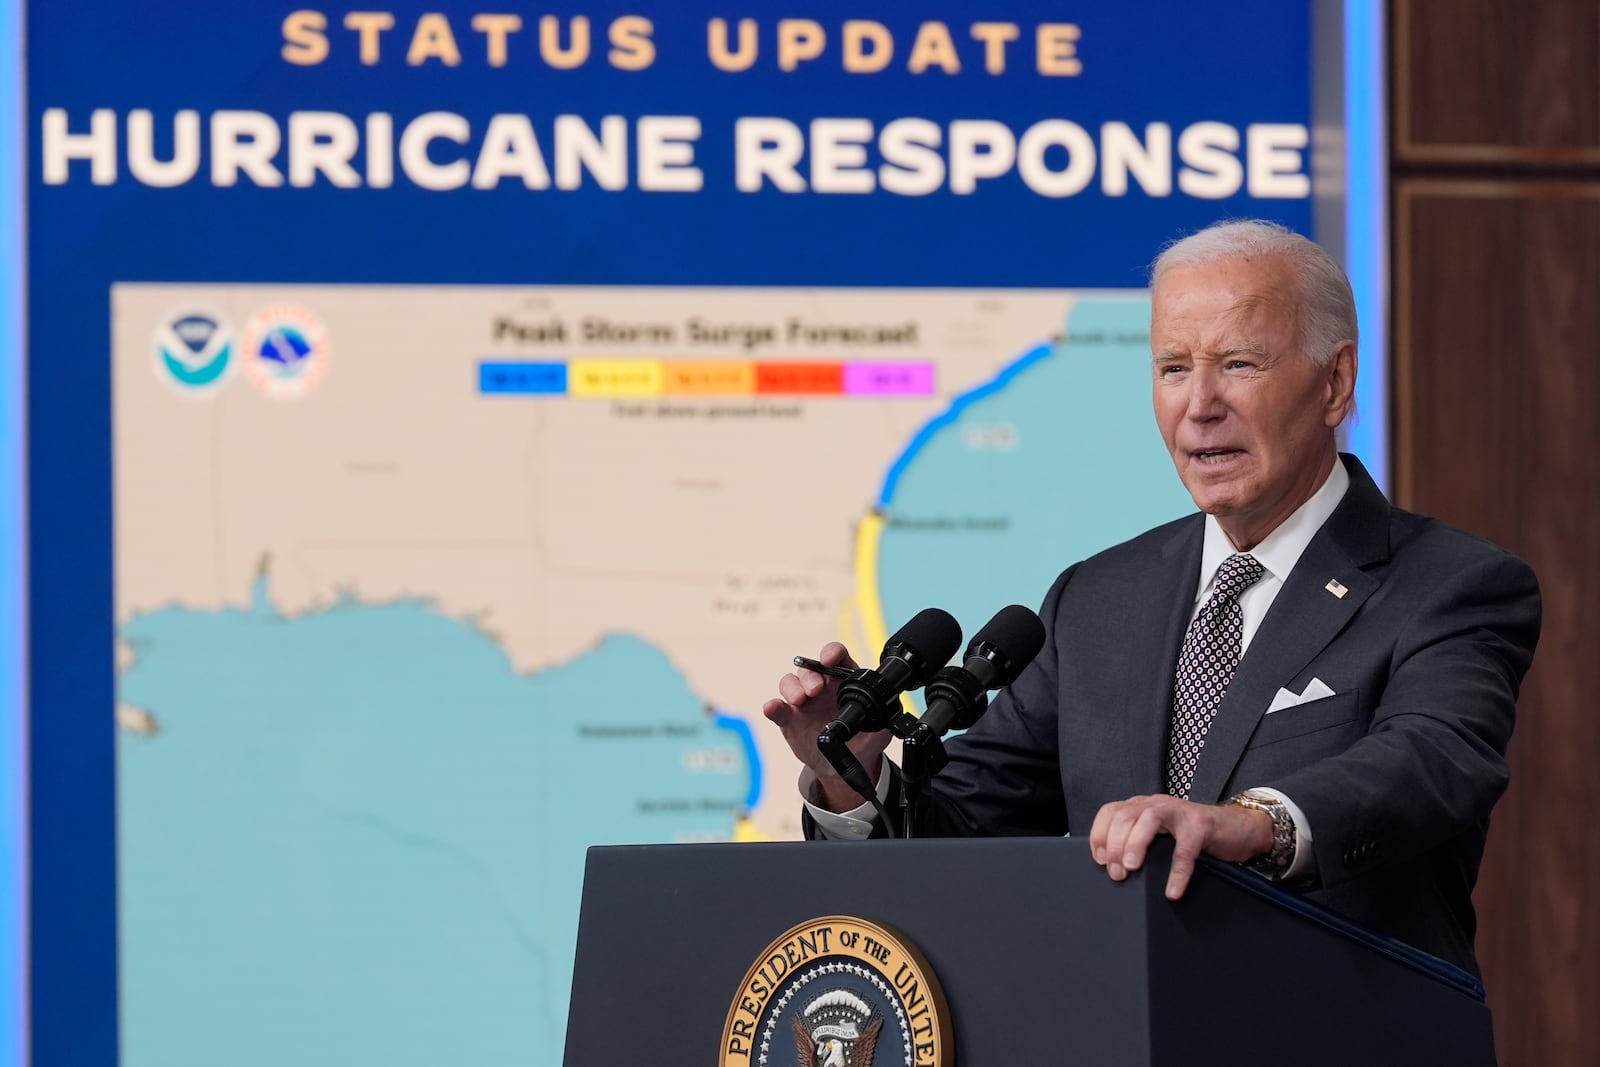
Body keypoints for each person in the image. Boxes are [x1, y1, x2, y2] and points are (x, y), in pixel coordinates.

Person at [763, 219, 1540, 976]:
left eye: (1239, 363)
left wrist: (1252, 822)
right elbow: (966, 829)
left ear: (1334, 382)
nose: (1199, 404)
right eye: (1173, 368)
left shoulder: (1450, 584)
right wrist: (851, 772)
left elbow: (1431, 760)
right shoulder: (1099, 598)